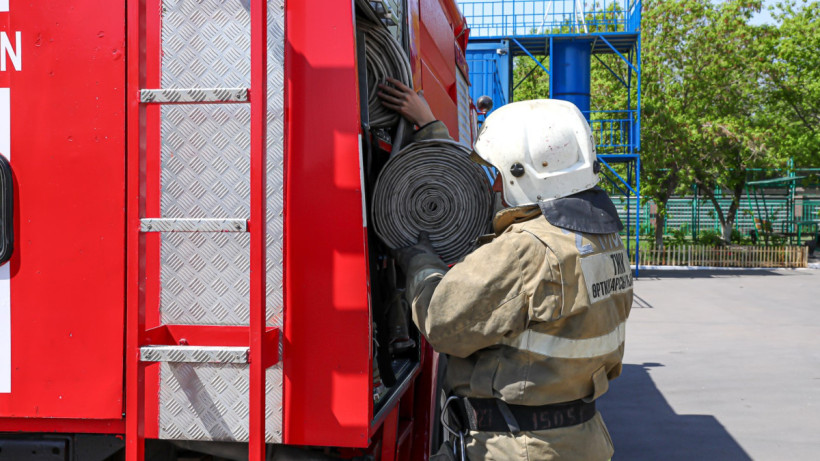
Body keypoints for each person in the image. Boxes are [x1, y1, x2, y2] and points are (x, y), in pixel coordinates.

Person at [379, 80, 632, 460]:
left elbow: (441, 320)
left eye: (500, 172)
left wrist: (418, 259)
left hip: (517, 446)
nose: (495, 183)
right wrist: (431, 128)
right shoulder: (604, 241)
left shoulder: (527, 250)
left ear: (524, 174)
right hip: (580, 440)